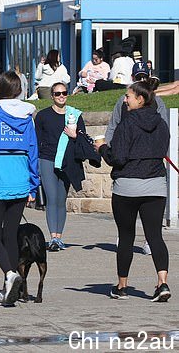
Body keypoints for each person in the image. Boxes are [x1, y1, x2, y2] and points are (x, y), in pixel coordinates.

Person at [95, 78, 171, 302]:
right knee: (155, 235)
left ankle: (122, 285)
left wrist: (102, 148)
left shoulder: (126, 124)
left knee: (126, 237)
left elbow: (116, 158)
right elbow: (162, 150)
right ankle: (162, 282)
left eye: (128, 96)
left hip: (127, 186)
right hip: (156, 184)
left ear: (140, 99)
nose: (124, 100)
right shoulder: (161, 123)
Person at [0, 71, 39, 305]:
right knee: (10, 235)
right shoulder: (28, 117)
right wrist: (33, 183)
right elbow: (33, 152)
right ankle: (9, 289)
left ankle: (10, 274)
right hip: (21, 179)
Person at [35, 82, 87, 251]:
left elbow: (83, 140)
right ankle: (52, 238)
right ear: (52, 96)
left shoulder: (75, 115)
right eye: (57, 94)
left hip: (67, 161)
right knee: (51, 197)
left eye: (64, 92)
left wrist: (74, 135)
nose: (61, 96)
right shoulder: (43, 116)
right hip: (47, 160)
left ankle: (59, 236)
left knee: (61, 200)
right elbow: (36, 141)